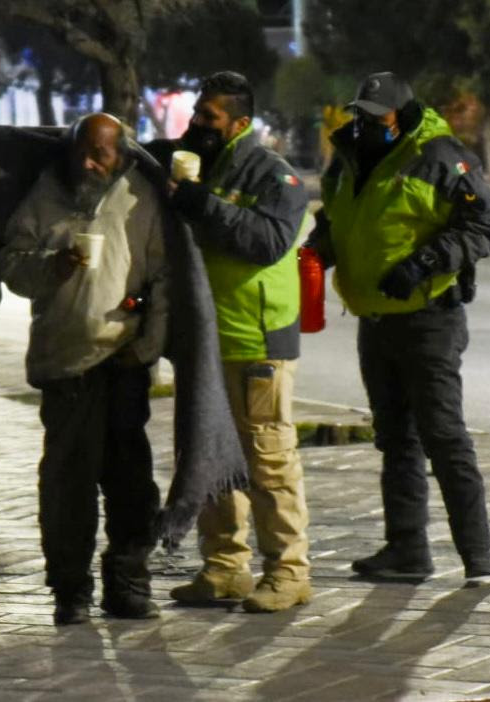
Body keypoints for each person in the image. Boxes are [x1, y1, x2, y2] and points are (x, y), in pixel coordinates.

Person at [310, 71, 490, 582]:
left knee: (443, 435)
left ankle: (478, 557)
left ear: (403, 114)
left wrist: (424, 263)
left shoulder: (439, 155)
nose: (368, 124)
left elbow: (484, 226)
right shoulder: (349, 157)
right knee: (396, 440)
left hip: (428, 319)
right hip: (375, 319)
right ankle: (407, 551)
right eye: (362, 114)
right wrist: (315, 254)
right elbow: (336, 221)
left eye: (379, 116)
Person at [0, 113, 168, 625]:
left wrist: (147, 348)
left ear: (122, 153)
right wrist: (52, 265)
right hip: (64, 363)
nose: (92, 162)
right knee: (67, 484)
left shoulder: (143, 196)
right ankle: (70, 591)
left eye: (103, 153)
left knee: (131, 481)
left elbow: (165, 278)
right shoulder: (44, 194)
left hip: (124, 359)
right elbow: (12, 266)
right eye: (85, 152)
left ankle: (129, 585)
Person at [158, 71, 312, 613]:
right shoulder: (196, 163)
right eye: (196, 113)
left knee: (267, 458)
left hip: (256, 340)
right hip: (207, 338)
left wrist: (203, 205)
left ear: (240, 124)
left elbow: (268, 240)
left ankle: (288, 572)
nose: (197, 123)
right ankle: (225, 567)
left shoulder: (275, 176)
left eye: (209, 118)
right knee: (211, 456)